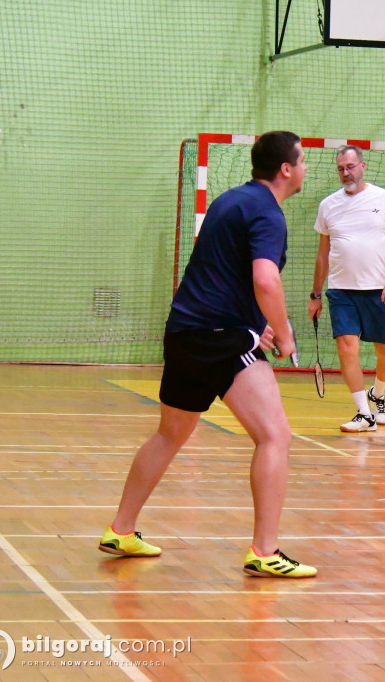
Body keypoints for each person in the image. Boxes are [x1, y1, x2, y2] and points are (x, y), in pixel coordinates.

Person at [98, 131, 316, 579]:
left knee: (170, 434)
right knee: (276, 436)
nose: (307, 168)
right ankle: (265, 551)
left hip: (184, 332)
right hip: (221, 338)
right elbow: (265, 280)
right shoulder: (269, 215)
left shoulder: (229, 201)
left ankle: (121, 529)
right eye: (303, 160)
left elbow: (221, 273)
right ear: (286, 169)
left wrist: (260, 326)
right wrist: (286, 333)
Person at [309, 144, 385, 432]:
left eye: (350, 167)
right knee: (346, 347)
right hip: (341, 291)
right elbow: (322, 254)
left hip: (379, 289)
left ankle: (377, 393)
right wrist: (315, 295)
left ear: (362, 166)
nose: (345, 173)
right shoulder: (328, 205)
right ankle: (364, 414)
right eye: (340, 168)